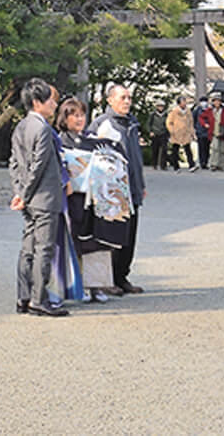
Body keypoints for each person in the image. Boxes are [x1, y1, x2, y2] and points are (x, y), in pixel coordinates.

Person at [9, 77, 68, 317]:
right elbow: (39, 165)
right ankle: (38, 299)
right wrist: (25, 194)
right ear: (37, 102)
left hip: (28, 196)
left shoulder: (20, 126)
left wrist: (18, 192)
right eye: (50, 100)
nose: (54, 104)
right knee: (43, 249)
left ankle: (23, 297)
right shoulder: (42, 128)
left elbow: (14, 163)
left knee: (27, 249)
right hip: (43, 196)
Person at [89, 82, 145, 295]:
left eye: (129, 98)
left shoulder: (131, 123)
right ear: (110, 100)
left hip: (133, 190)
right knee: (113, 237)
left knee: (130, 237)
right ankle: (107, 279)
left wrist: (141, 184)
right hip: (113, 192)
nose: (127, 102)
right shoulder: (102, 124)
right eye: (123, 97)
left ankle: (122, 277)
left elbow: (136, 158)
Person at [47, 98, 97, 305]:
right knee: (73, 240)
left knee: (94, 240)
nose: (79, 119)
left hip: (92, 197)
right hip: (71, 197)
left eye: (82, 115)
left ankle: (96, 285)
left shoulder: (92, 139)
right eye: (74, 115)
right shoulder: (60, 140)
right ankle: (76, 286)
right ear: (64, 118)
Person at [166, 94, 198, 171]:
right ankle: (176, 166)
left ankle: (191, 165)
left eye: (185, 101)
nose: (185, 103)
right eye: (183, 101)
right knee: (175, 150)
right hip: (176, 133)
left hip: (186, 133)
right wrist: (172, 131)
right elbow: (168, 122)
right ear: (179, 103)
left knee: (188, 150)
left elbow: (191, 122)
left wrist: (192, 133)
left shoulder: (188, 111)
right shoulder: (174, 112)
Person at [206, 94, 224, 171]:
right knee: (215, 148)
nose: (217, 102)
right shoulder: (210, 111)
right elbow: (201, 117)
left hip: (223, 132)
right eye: (215, 101)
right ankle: (213, 164)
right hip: (214, 133)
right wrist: (205, 124)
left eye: (218, 101)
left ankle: (220, 164)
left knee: (222, 150)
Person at [148, 101, 170, 171]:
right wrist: (150, 131)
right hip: (155, 134)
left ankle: (163, 165)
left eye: (162, 106)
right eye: (159, 106)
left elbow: (169, 124)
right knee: (155, 150)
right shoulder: (153, 115)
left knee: (164, 150)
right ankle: (154, 164)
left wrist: (169, 133)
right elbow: (149, 124)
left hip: (163, 134)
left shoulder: (166, 115)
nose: (160, 108)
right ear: (157, 107)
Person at [193, 95, 213, 173]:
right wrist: (195, 129)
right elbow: (193, 119)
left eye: (205, 101)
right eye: (202, 101)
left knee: (207, 148)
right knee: (201, 147)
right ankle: (202, 162)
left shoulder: (210, 110)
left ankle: (206, 161)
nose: (203, 103)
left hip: (208, 132)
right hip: (200, 131)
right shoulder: (197, 110)